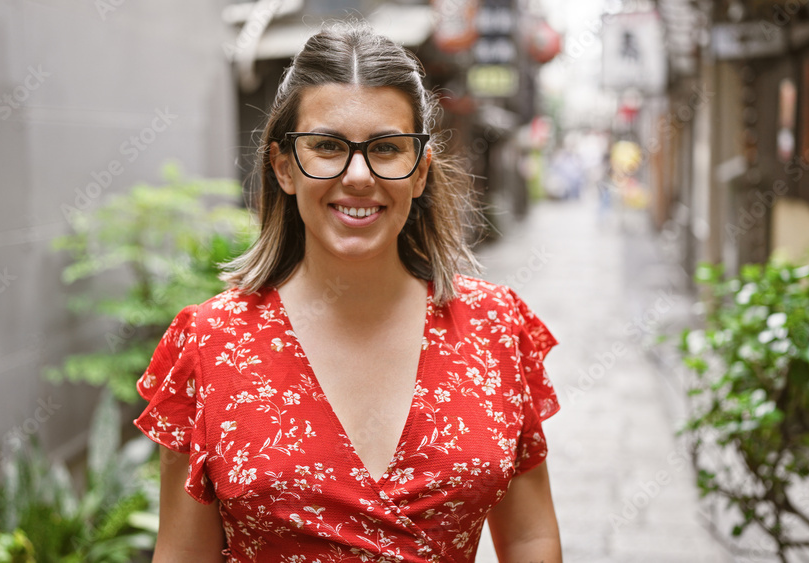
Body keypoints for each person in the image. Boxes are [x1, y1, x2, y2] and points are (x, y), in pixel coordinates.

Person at [135, 21, 563, 563]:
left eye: (386, 148)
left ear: (421, 170)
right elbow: (182, 554)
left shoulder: (496, 328)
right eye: (327, 146)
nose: (358, 175)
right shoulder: (211, 344)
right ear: (284, 167)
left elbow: (529, 538)